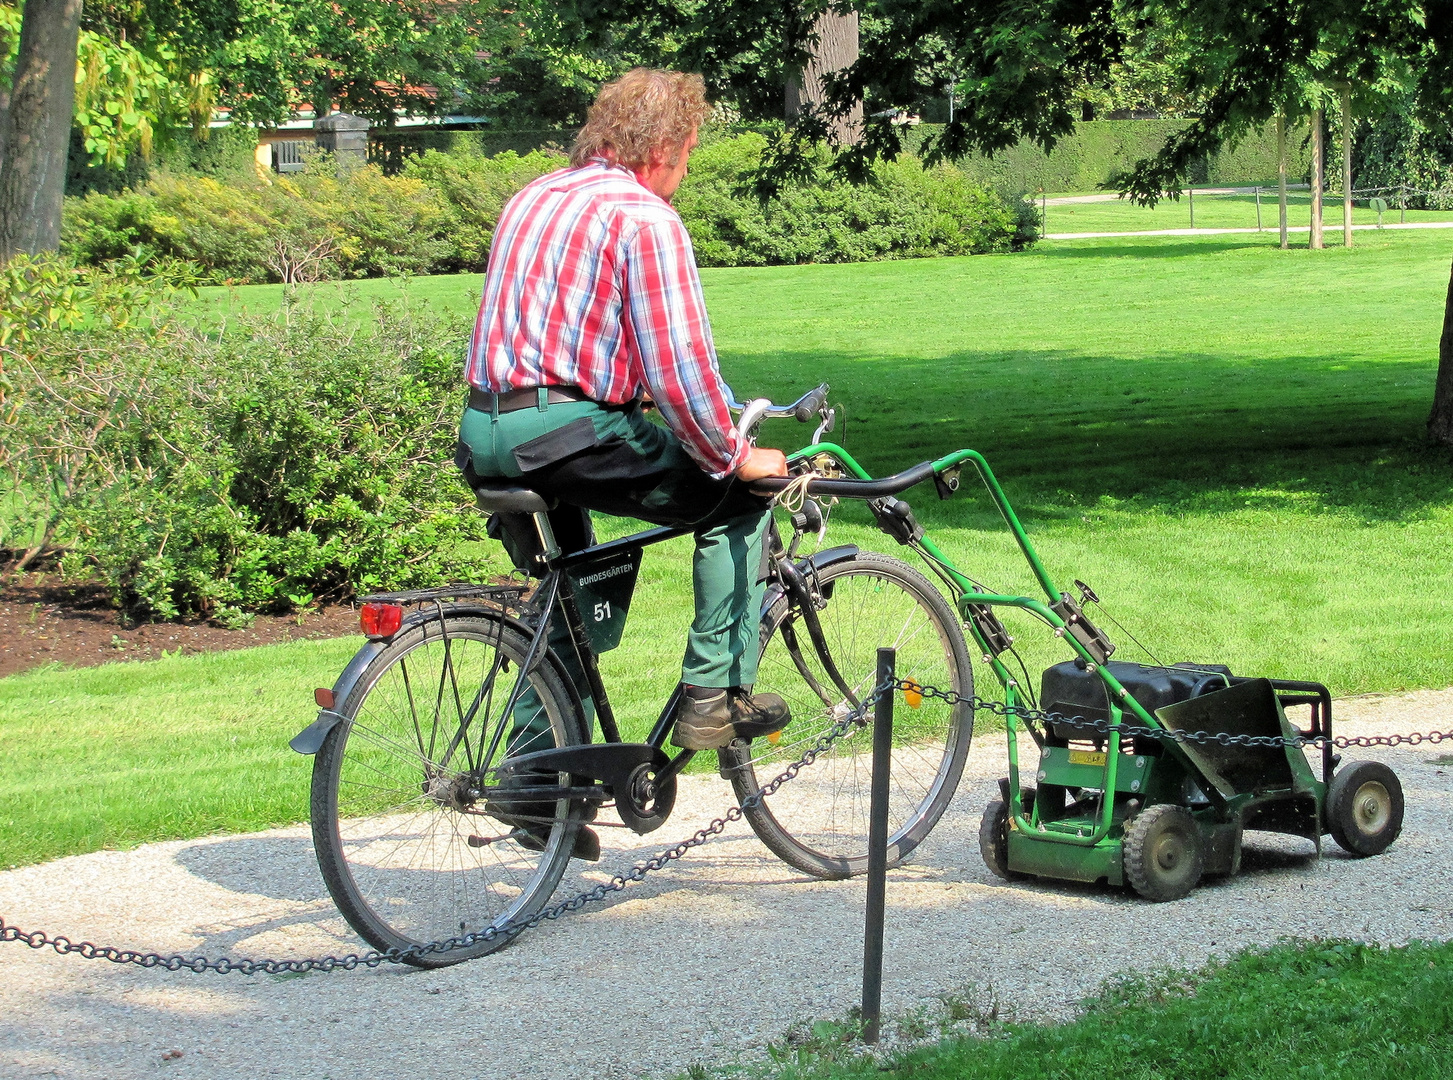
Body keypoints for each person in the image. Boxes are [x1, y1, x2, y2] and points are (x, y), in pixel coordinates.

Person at [456, 68, 793, 788]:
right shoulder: (643, 216)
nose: (687, 167)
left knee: (565, 594)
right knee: (735, 499)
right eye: (692, 150)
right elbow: (677, 370)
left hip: (486, 431)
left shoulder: (536, 196)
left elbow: (564, 333)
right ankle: (713, 697)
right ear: (667, 144)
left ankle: (537, 778)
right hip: (564, 434)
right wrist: (733, 455)